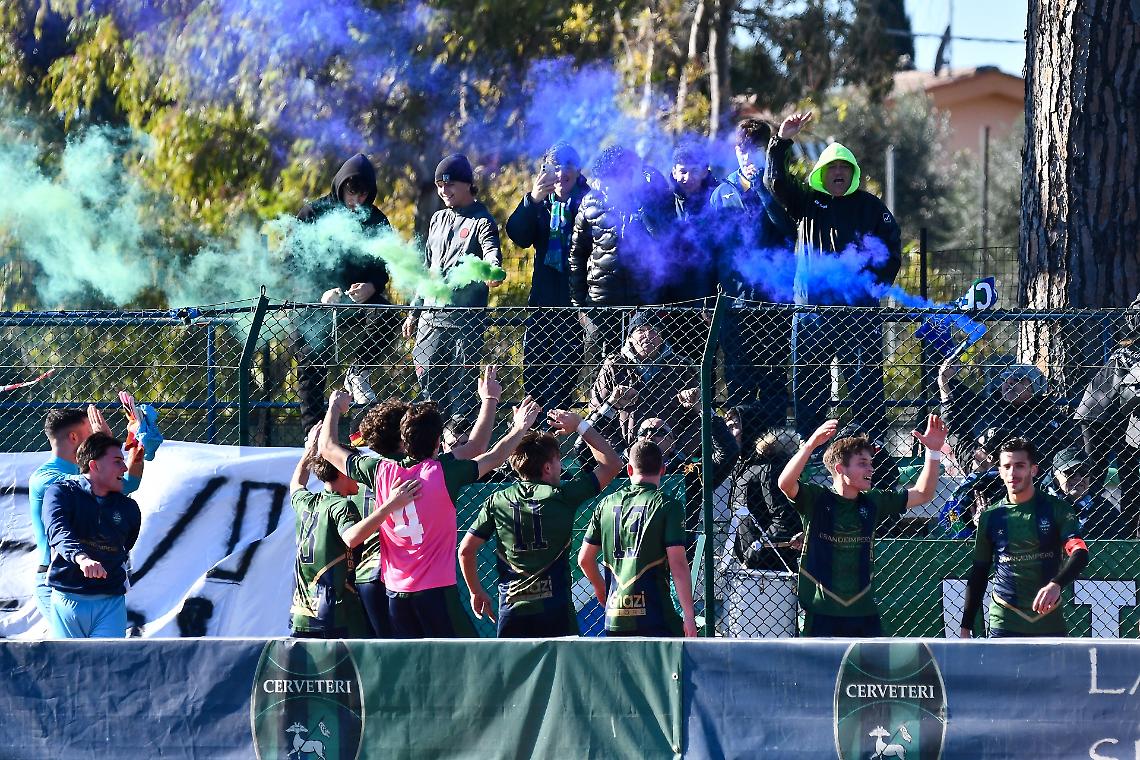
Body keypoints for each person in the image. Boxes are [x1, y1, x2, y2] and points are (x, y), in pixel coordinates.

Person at [318, 389, 540, 638]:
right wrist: (519, 428)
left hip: (395, 593)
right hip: (436, 591)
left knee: (417, 663)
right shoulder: (443, 472)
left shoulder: (378, 470)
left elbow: (327, 448)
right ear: (438, 443)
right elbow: (494, 455)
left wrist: (335, 407)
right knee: (472, 658)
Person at [766, 111, 902, 444]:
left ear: (853, 173)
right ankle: (808, 444)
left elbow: (892, 251)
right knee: (809, 382)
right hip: (812, 313)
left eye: (844, 168)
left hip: (858, 313)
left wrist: (868, 283)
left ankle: (875, 444)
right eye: (832, 168)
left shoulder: (871, 207)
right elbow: (775, 182)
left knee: (865, 380)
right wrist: (781, 142)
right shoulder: (806, 202)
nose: (838, 173)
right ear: (821, 173)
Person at [777, 415, 947, 637]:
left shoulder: (873, 501)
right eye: (863, 464)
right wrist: (811, 444)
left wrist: (933, 452)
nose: (871, 469)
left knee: (869, 670)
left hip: (863, 611)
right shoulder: (816, 499)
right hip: (821, 612)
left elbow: (923, 493)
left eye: (871, 463)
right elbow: (785, 483)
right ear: (840, 468)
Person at [457, 409, 623, 637]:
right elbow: (612, 464)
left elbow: (465, 550)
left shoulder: (497, 500)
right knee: (564, 670)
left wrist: (476, 591)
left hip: (512, 609)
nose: (560, 466)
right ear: (547, 468)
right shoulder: (562, 496)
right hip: (555, 609)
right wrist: (581, 425)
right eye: (558, 461)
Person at [288, 423, 421, 638]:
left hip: (302, 611)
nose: (357, 475)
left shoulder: (306, 502)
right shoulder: (341, 506)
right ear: (341, 471)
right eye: (351, 469)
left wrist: (310, 450)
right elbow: (351, 538)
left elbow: (296, 483)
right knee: (347, 670)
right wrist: (390, 505)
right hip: (334, 612)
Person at [292, 153, 394, 428]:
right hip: (316, 304)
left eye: (363, 195)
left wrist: (372, 286)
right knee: (312, 357)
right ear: (341, 186)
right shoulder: (312, 214)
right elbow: (293, 264)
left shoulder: (376, 219)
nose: (357, 201)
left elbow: (384, 265)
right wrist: (320, 294)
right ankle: (312, 432)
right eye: (352, 193)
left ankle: (358, 371)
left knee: (389, 316)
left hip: (357, 304)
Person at [402, 154, 503, 421]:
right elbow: (426, 268)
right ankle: (431, 451)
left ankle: (458, 451)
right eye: (439, 185)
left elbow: (492, 253)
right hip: (430, 320)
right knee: (428, 396)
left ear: (467, 184)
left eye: (450, 184)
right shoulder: (436, 219)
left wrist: (492, 271)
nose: (444, 191)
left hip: (463, 322)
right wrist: (414, 312)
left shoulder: (481, 220)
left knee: (461, 397)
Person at [711, 118, 796, 428]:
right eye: (743, 150)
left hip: (773, 303)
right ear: (736, 151)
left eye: (756, 150)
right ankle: (739, 444)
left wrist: (762, 188)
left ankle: (774, 445)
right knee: (737, 377)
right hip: (734, 304)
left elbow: (788, 232)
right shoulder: (722, 192)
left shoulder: (779, 186)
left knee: (773, 376)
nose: (748, 156)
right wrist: (714, 298)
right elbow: (712, 249)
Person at [28, 406, 143, 634]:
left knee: (102, 658)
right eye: (92, 429)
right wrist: (108, 444)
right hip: (58, 581)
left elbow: (126, 481)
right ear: (74, 437)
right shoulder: (46, 478)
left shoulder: (94, 470)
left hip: (97, 583)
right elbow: (116, 482)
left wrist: (137, 444)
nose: (98, 433)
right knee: (74, 659)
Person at [960, 438, 1089, 638]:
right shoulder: (990, 516)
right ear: (1000, 471)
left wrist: (1056, 585)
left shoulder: (1058, 509)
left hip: (1050, 623)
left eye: (1020, 466)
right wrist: (966, 626)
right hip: (1004, 622)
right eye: (1007, 466)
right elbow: (979, 572)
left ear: (1034, 470)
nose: (1013, 473)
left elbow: (1080, 553)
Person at [578, 439, 699, 637]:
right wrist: (688, 615)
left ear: (629, 470)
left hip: (616, 616)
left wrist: (602, 591)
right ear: (663, 469)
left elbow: (584, 560)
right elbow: (677, 563)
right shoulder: (668, 506)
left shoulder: (606, 504)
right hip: (655, 616)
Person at [506, 142, 589, 412]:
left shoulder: (588, 200)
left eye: (567, 167)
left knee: (562, 381)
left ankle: (554, 442)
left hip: (576, 304)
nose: (560, 173)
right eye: (554, 167)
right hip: (542, 302)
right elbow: (518, 235)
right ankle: (531, 440)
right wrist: (532, 200)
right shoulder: (540, 204)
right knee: (534, 375)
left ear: (577, 171)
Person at [569, 145, 662, 356]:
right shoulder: (590, 203)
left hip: (640, 306)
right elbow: (577, 255)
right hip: (600, 305)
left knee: (637, 374)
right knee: (599, 376)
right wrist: (579, 306)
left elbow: (661, 247)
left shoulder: (645, 203)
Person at [939, 355, 1079, 471]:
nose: (1009, 382)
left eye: (1018, 379)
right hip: (988, 484)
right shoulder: (986, 408)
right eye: (1005, 378)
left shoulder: (1051, 418)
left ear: (1035, 387)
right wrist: (944, 381)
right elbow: (954, 421)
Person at [585, 310, 698, 451]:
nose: (648, 335)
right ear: (630, 337)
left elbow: (698, 420)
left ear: (662, 336)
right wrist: (619, 453)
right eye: (641, 330)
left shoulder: (681, 368)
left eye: (654, 330)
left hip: (670, 454)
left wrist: (679, 454)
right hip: (623, 453)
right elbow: (596, 412)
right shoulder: (614, 365)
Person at [1074, 299, 1140, 538]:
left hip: (1130, 416)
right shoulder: (1129, 351)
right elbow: (1134, 319)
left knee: (1132, 479)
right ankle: (1081, 534)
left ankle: (1129, 542)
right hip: (1100, 410)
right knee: (1091, 476)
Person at [1046, 446, 1124, 540]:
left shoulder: (1106, 511)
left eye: (1084, 472)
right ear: (1055, 477)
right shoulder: (1039, 506)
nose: (1078, 478)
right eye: (1070, 472)